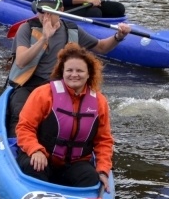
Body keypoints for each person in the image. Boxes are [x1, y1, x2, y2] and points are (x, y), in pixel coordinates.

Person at [6, 0, 131, 137]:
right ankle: (16, 147)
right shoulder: (26, 28)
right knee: (20, 113)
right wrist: (44, 38)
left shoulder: (72, 30)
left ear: (61, 10)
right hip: (28, 84)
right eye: (41, 11)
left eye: (50, 12)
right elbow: (20, 61)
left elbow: (101, 47)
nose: (44, 16)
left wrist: (118, 36)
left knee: (66, 119)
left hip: (59, 86)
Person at [15, 43, 113, 190]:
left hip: (75, 164)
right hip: (42, 157)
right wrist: (35, 149)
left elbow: (104, 141)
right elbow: (24, 127)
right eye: (70, 70)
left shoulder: (99, 102)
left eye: (80, 70)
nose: (74, 74)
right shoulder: (43, 94)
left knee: (91, 178)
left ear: (88, 74)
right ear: (62, 72)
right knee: (32, 166)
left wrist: (103, 169)